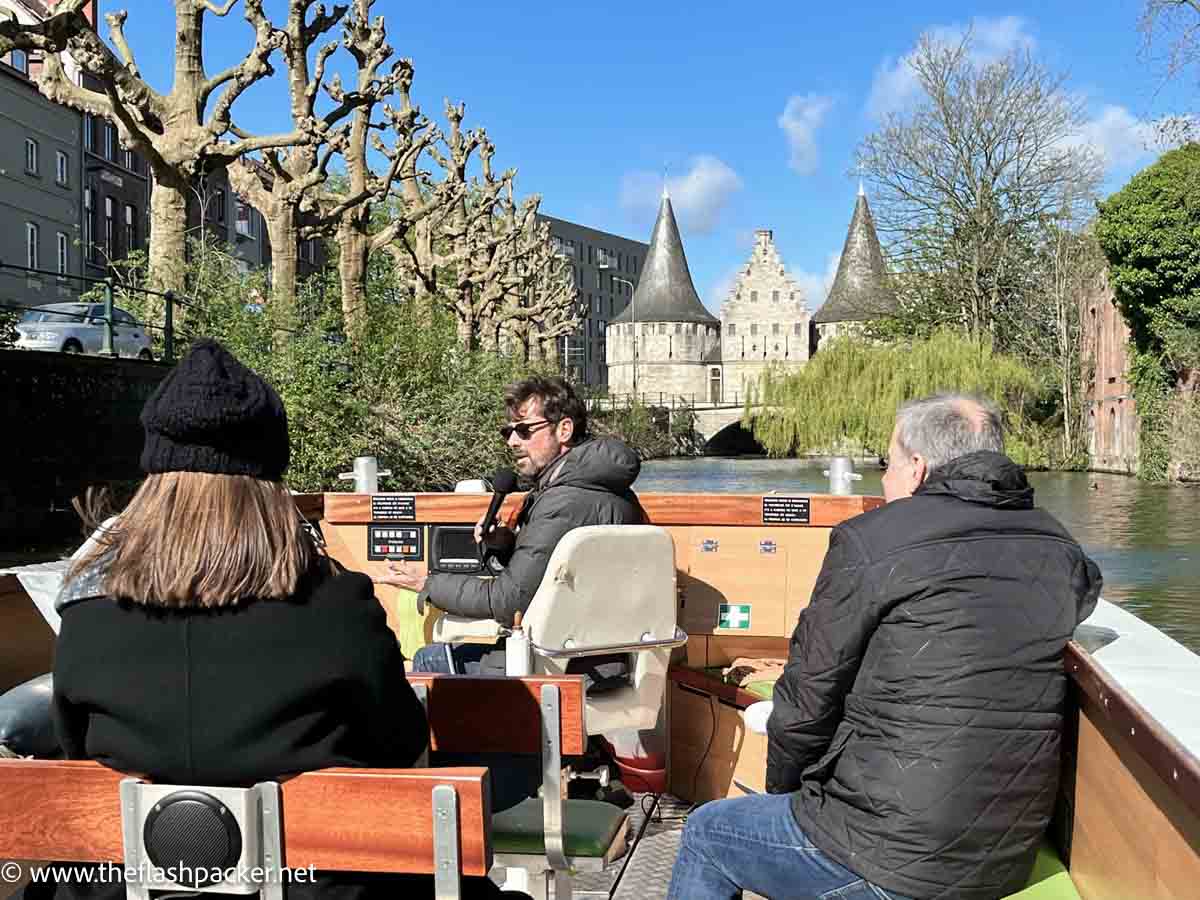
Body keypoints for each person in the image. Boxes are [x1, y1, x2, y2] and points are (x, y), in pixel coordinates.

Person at [36, 339, 523, 900]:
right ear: (271, 484)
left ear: (153, 478)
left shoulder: (88, 614)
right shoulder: (338, 606)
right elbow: (398, 745)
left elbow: (77, 752)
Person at [667, 393, 1103, 900]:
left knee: (709, 832)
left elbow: (805, 707)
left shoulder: (872, 540)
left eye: (888, 462)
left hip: (892, 856)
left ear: (917, 468)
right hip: (1002, 855)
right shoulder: (1060, 546)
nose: (884, 478)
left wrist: (789, 797)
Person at [375, 375, 642, 677]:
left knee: (428, 659)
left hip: (559, 666)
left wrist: (428, 583)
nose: (513, 441)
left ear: (564, 429)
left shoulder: (564, 502)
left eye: (525, 430)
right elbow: (549, 579)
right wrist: (506, 547)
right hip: (601, 660)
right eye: (509, 431)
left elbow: (507, 601)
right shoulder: (609, 490)